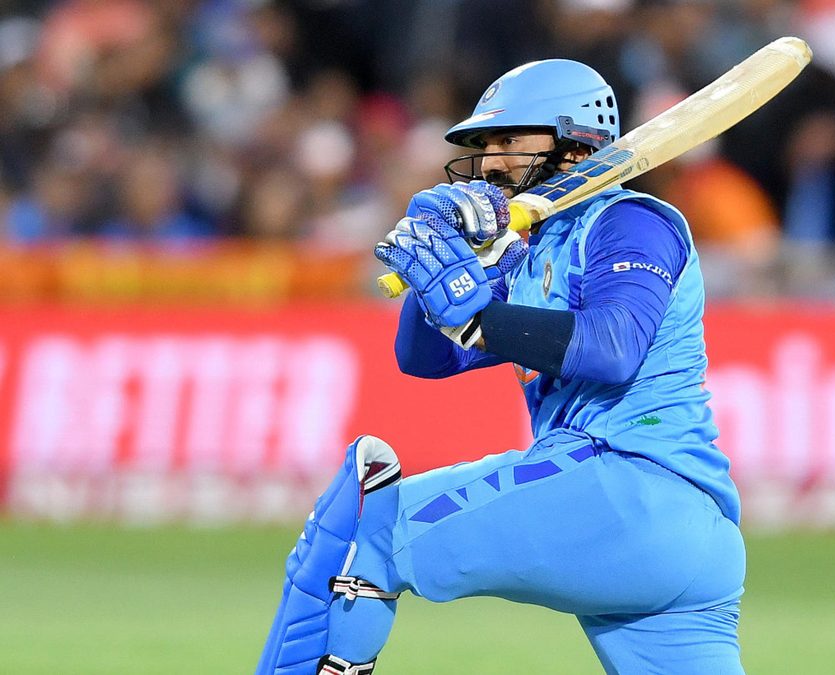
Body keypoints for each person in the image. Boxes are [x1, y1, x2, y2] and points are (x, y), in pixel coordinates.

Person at [257, 59, 745, 675]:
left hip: (633, 484)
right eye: (484, 144)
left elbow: (613, 347)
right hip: (673, 530)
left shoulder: (631, 221)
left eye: (509, 139)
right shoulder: (527, 253)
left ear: (575, 141)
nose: (490, 161)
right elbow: (424, 357)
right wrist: (439, 265)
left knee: (365, 531)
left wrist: (477, 316)